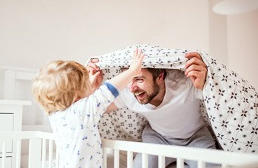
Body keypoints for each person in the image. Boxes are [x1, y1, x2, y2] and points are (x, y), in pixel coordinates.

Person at [88, 52, 217, 168]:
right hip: (158, 137)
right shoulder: (128, 93)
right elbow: (93, 108)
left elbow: (218, 99)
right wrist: (91, 88)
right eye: (129, 79)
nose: (133, 88)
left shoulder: (185, 85)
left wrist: (207, 83)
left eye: (139, 79)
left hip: (195, 137)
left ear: (160, 77)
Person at [32, 49, 144, 168]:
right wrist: (132, 71)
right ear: (77, 94)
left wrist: (89, 87)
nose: (88, 83)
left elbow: (81, 102)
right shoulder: (82, 110)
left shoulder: (55, 114)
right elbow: (108, 90)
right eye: (85, 83)